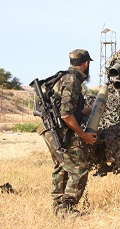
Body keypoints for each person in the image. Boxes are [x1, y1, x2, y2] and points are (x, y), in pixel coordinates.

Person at [38, 49, 97, 217]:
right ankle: (67, 208)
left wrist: (88, 110)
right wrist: (84, 135)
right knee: (79, 169)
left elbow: (69, 110)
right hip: (61, 132)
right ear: (86, 64)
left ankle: (57, 206)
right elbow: (65, 114)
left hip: (49, 130)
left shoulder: (62, 77)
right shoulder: (73, 81)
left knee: (61, 166)